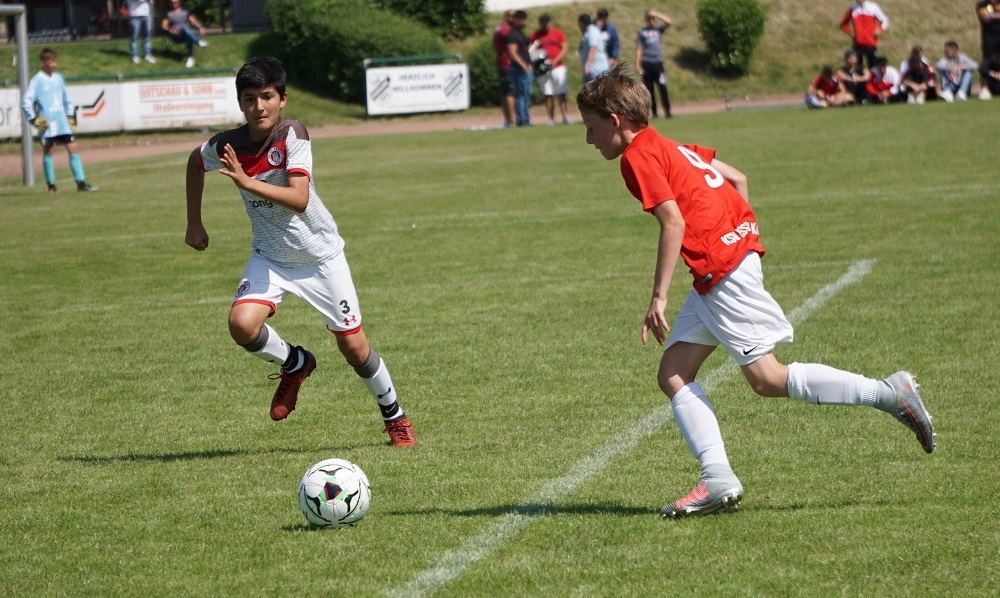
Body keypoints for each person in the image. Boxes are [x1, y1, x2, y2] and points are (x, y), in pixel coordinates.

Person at [575, 64, 935, 519]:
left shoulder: (637, 157)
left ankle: (888, 393)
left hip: (722, 270)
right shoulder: (671, 145)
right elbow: (737, 179)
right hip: (727, 263)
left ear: (614, 119)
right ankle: (717, 478)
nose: (588, 140)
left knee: (767, 378)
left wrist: (659, 297)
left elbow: (673, 222)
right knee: (674, 373)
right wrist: (738, 237)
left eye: (591, 128)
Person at [183, 56, 418, 448]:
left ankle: (395, 417)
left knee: (354, 347)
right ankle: (296, 364)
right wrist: (194, 222)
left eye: (266, 97)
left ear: (283, 99)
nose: (259, 106)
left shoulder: (292, 134)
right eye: (249, 99)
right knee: (241, 325)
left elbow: (299, 198)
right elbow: (195, 161)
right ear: (240, 103)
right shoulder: (228, 144)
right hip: (271, 257)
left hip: (320, 258)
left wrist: (246, 181)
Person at [21, 48, 99, 194]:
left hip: (62, 123)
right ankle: (51, 185)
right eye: (51, 61)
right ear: (43, 63)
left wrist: (71, 116)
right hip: (47, 124)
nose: (54, 64)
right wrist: (34, 119)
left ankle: (81, 183)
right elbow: (26, 102)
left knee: (73, 148)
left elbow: (66, 99)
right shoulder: (37, 80)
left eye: (55, 61)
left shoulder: (58, 78)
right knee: (48, 151)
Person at [529, 14, 570, 125]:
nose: (544, 26)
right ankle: (551, 119)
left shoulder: (557, 33)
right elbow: (531, 51)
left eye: (546, 24)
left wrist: (555, 61)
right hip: (542, 69)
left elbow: (564, 48)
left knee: (561, 92)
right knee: (548, 93)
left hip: (557, 66)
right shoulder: (535, 35)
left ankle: (565, 116)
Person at [635, 9, 673, 118]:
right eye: (649, 19)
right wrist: (638, 64)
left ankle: (667, 111)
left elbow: (669, 22)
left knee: (662, 87)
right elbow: (639, 49)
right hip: (647, 63)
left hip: (658, 64)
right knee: (649, 89)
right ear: (646, 20)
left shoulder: (658, 30)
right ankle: (654, 112)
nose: (651, 21)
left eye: (653, 19)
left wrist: (656, 14)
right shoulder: (642, 32)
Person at [840, 0, 889, 70]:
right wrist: (851, 33)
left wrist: (879, 30)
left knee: (873, 68)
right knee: (857, 69)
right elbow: (843, 24)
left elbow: (885, 21)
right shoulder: (853, 9)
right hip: (857, 45)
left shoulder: (873, 7)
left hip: (871, 43)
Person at [161, 0, 210, 69]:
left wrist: (201, 27)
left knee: (186, 31)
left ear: (179, 2)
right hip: (176, 35)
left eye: (175, 2)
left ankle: (190, 59)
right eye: (171, 2)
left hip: (185, 34)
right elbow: (164, 26)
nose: (173, 4)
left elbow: (194, 21)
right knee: (186, 30)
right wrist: (171, 30)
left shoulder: (186, 12)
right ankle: (198, 42)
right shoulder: (169, 14)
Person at [506, 10, 534, 127]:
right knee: (521, 95)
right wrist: (523, 65)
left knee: (526, 94)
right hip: (519, 69)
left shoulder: (520, 33)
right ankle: (522, 120)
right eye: (522, 20)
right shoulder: (513, 34)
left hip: (525, 68)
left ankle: (526, 119)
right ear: (517, 20)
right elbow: (512, 53)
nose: (524, 22)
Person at [492, 10, 516, 128]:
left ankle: (507, 119)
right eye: (513, 16)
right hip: (508, 63)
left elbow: (494, 47)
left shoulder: (498, 28)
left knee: (505, 91)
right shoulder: (508, 29)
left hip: (501, 61)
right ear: (507, 17)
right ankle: (511, 120)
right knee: (510, 92)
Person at [977, 0, 1000, 99]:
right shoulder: (982, 4)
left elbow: (990, 15)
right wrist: (995, 15)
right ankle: (985, 88)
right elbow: (985, 16)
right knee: (986, 64)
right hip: (989, 41)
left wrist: (992, 15)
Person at [578, 13, 610, 84]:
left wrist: (587, 66)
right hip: (593, 71)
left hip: (598, 71)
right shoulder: (589, 32)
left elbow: (593, 48)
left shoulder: (592, 32)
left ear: (582, 23)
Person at [125, 0, 155, 64]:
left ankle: (147, 54)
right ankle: (134, 55)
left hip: (146, 14)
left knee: (147, 36)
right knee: (134, 37)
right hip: (134, 15)